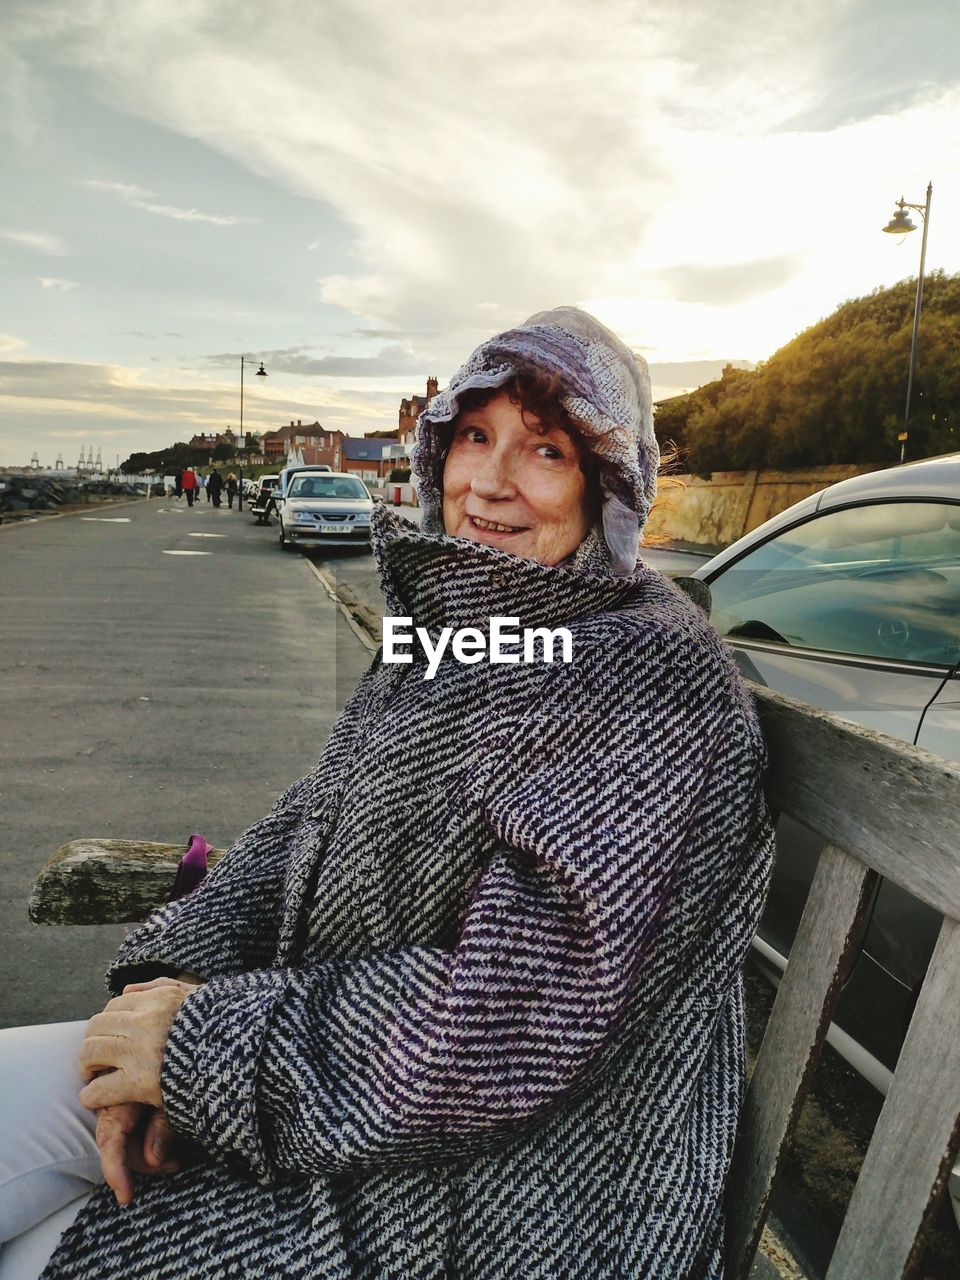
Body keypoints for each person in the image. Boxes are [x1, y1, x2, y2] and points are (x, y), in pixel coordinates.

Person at [0, 307, 774, 1280]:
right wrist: (161, 994)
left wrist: (196, 1049)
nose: (490, 481)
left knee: (38, 1253)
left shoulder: (647, 677)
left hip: (496, 1196)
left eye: (545, 450)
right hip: (327, 1093)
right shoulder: (461, 630)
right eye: (476, 437)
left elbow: (514, 1014)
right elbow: (304, 820)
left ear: (608, 487)